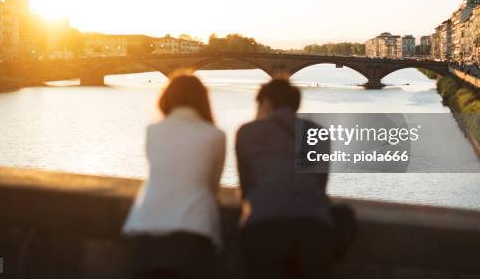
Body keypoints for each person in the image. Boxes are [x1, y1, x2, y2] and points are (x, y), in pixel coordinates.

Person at [123, 72, 226, 279]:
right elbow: (212, 187)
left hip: (145, 230)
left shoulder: (152, 131)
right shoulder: (215, 135)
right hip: (192, 232)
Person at [235, 78, 339, 279]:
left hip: (264, 229)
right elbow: (320, 187)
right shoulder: (319, 133)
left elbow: (246, 189)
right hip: (314, 231)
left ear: (265, 103)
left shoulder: (247, 132)